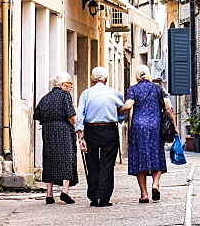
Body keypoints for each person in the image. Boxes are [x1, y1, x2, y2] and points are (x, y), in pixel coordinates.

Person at [120, 65, 178, 203]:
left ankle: (144, 194)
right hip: (155, 126)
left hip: (138, 127)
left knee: (140, 158)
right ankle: (155, 184)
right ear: (148, 75)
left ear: (136, 76)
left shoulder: (133, 89)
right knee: (156, 155)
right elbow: (168, 108)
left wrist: (116, 111)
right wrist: (174, 126)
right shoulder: (158, 88)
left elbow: (128, 106)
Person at [75, 66, 125, 207]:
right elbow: (123, 109)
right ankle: (103, 197)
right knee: (107, 164)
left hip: (91, 130)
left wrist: (80, 136)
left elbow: (80, 115)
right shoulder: (113, 93)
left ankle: (93, 195)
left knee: (92, 163)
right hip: (109, 129)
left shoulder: (86, 94)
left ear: (92, 79)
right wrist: (118, 117)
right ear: (106, 79)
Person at [33, 72, 78, 204]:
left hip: (48, 131)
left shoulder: (46, 97)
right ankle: (65, 191)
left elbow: (37, 115)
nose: (71, 87)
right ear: (63, 85)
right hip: (63, 129)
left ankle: (49, 194)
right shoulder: (65, 95)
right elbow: (70, 115)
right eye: (70, 84)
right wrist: (75, 122)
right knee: (66, 158)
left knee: (50, 159)